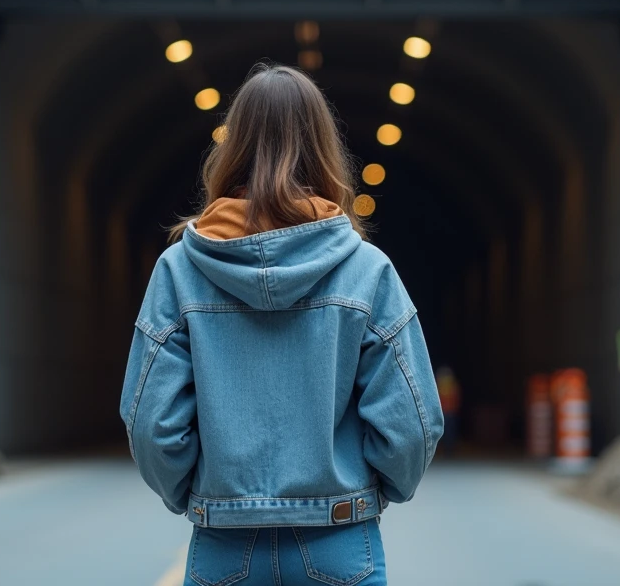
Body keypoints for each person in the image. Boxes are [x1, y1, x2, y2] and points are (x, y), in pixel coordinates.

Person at [121, 64, 443, 586]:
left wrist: (198, 494)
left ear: (232, 147)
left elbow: (152, 424)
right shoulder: (367, 270)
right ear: (324, 148)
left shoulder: (179, 271)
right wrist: (368, 490)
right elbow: (412, 422)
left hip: (224, 545)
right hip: (341, 540)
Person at [436, 366, 462, 457]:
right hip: (443, 413)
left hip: (450, 413)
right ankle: (441, 450)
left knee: (450, 432)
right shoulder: (438, 386)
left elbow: (455, 399)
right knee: (441, 432)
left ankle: (449, 449)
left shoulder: (452, 386)